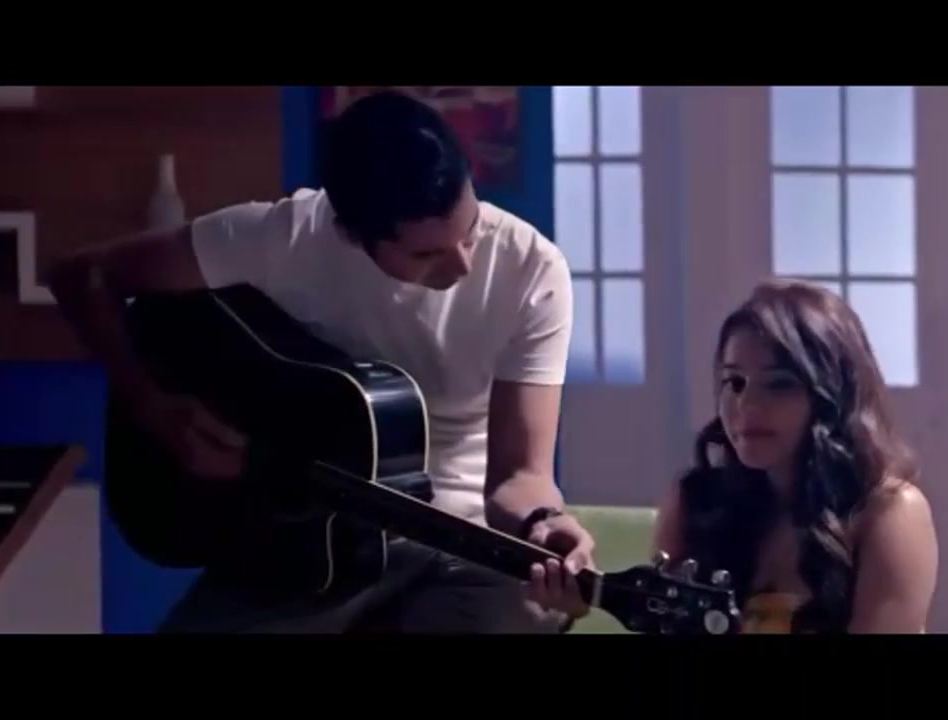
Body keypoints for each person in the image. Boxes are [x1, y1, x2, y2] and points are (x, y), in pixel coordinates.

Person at [46, 89, 594, 633]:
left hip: (461, 546)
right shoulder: (285, 238)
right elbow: (81, 276)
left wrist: (543, 521)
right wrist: (153, 408)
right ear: (351, 234)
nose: (462, 265)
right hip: (307, 539)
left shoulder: (531, 272)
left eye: (469, 231)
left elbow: (519, 476)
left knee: (522, 612)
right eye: (426, 254)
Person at [541, 279, 938, 633]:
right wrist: (563, 613)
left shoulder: (888, 513)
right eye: (734, 382)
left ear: (831, 396)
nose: (747, 406)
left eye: (778, 384)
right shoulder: (696, 502)